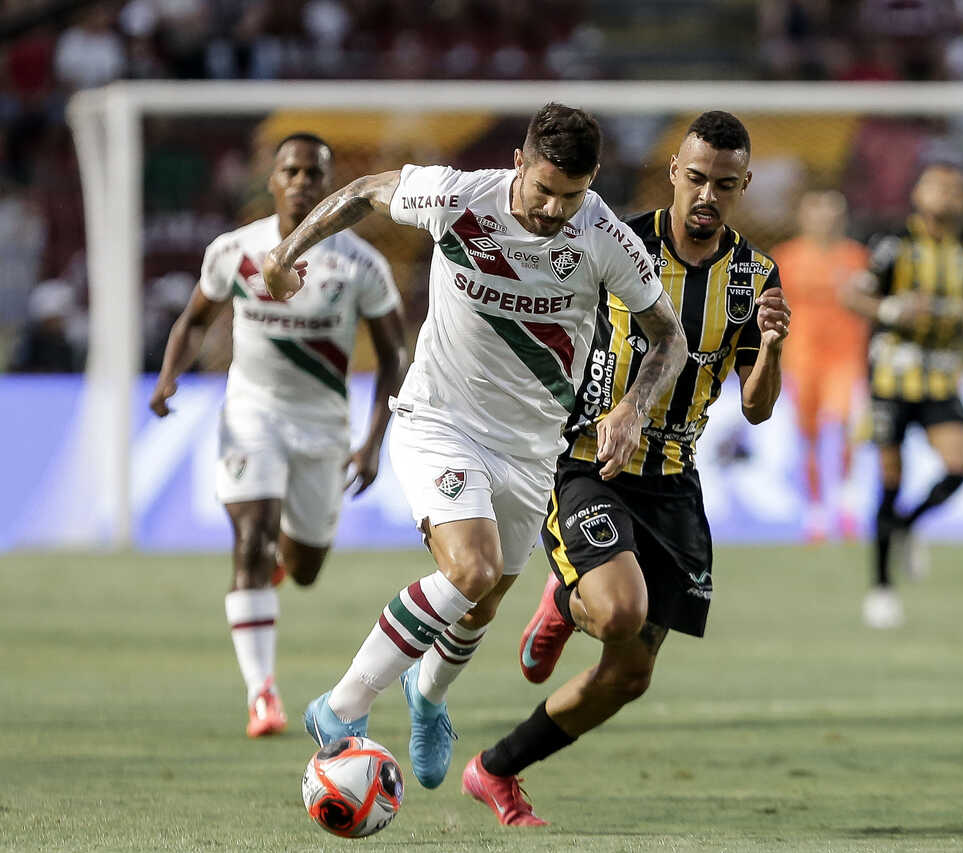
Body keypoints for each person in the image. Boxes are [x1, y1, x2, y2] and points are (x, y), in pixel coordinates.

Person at [271, 105, 687, 794]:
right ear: (519, 163)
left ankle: (428, 694)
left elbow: (668, 337)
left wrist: (632, 408)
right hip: (439, 419)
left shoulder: (602, 235)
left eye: (571, 195)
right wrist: (286, 254)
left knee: (484, 602)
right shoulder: (457, 197)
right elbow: (362, 192)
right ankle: (342, 704)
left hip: (531, 449)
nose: (553, 209)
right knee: (471, 567)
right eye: (543, 189)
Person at [463, 111, 791, 827]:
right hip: (588, 461)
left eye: (724, 185)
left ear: (744, 186)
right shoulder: (614, 241)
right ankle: (568, 599)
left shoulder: (754, 276)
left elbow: (758, 408)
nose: (706, 195)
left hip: (674, 480)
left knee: (630, 674)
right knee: (617, 611)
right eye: (696, 178)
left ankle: (495, 769)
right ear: (674, 171)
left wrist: (769, 349)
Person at [149, 132, 409, 737]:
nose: (301, 182)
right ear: (272, 180)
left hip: (324, 427)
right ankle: (262, 693)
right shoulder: (235, 250)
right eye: (290, 171)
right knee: (252, 536)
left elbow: (395, 355)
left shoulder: (359, 264)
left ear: (329, 184)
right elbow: (194, 321)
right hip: (252, 413)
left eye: (313, 173)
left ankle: (277, 565)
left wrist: (373, 440)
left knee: (306, 566)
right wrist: (168, 377)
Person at [841, 161, 963, 629]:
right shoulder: (894, 243)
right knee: (890, 477)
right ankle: (881, 588)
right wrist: (893, 310)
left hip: (942, 378)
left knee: (959, 467)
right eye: (937, 186)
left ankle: (907, 526)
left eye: (955, 189)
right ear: (918, 194)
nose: (946, 195)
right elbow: (853, 295)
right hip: (891, 377)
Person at [771, 189, 869, 541]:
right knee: (808, 434)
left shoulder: (857, 258)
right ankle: (815, 511)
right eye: (817, 213)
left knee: (844, 425)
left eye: (831, 213)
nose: (824, 220)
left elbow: (870, 304)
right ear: (804, 217)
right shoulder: (786, 258)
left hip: (845, 357)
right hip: (802, 358)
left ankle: (846, 502)